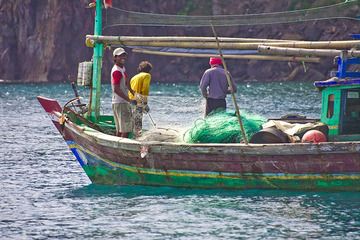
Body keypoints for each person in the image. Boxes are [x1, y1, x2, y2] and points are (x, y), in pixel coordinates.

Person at [111, 47, 136, 138]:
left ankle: (115, 146)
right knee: (125, 130)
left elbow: (126, 82)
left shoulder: (122, 69)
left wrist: (133, 93)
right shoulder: (117, 71)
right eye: (120, 56)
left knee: (120, 129)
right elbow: (116, 89)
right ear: (115, 58)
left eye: (124, 55)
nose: (123, 58)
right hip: (121, 103)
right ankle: (120, 149)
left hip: (119, 102)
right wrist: (129, 100)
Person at [128, 61, 153, 137]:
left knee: (132, 120)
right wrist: (145, 104)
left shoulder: (134, 77)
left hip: (130, 101)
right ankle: (138, 138)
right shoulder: (147, 75)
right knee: (138, 121)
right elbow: (145, 89)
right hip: (138, 101)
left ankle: (132, 136)